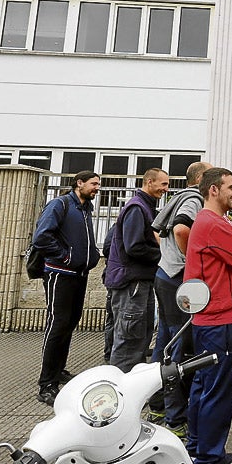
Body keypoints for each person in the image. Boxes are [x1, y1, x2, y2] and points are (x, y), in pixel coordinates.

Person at [184, 167, 232, 464]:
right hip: (220, 320)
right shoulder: (214, 224)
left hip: (209, 318)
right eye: (230, 187)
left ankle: (196, 450)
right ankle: (210, 459)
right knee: (218, 391)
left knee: (204, 386)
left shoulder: (211, 223)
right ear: (213, 190)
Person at [145, 161, 212, 435]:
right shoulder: (195, 199)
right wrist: (190, 262)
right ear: (202, 178)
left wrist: (170, 256)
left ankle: (157, 403)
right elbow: (181, 229)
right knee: (179, 346)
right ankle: (175, 420)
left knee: (165, 341)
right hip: (176, 281)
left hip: (165, 275)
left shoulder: (178, 197)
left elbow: (157, 230)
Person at [33, 170, 102, 406]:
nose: (97, 188)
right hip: (60, 275)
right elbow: (41, 237)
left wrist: (90, 257)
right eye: (93, 184)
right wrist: (64, 257)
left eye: (98, 185)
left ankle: (58, 370)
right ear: (79, 183)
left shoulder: (85, 208)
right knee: (57, 324)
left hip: (78, 275)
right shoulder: (59, 205)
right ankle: (46, 384)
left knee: (70, 323)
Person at [104, 168, 169, 373]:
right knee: (128, 341)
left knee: (139, 337)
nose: (165, 189)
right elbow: (134, 247)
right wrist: (165, 255)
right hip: (131, 283)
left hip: (139, 281)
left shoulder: (145, 207)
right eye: (163, 184)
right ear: (149, 182)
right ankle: (120, 389)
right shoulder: (137, 208)